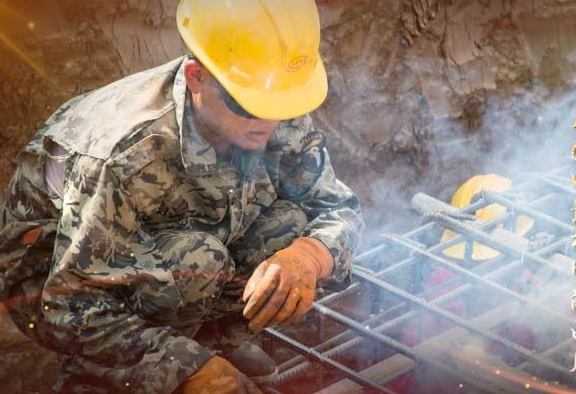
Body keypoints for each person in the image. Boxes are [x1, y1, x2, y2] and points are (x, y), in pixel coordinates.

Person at [0, 0, 363, 392]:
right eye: (250, 105)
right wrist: (182, 367)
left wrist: (308, 256)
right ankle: (101, 375)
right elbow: (70, 306)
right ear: (196, 77)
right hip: (53, 286)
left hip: (169, 239)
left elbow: (340, 209)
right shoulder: (122, 155)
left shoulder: (267, 95)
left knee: (290, 230)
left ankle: (214, 341)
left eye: (279, 105)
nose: (269, 122)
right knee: (198, 257)